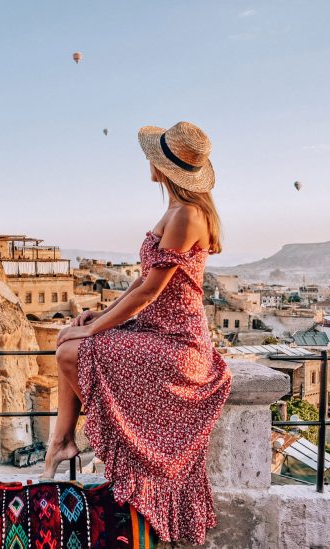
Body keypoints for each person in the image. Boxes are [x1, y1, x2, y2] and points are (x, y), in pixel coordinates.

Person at [41, 121, 232, 545]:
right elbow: (140, 282)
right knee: (65, 339)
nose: (148, 162)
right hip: (156, 329)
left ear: (166, 166)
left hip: (178, 343)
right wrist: (98, 316)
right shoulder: (175, 211)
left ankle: (65, 442)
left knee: (72, 352)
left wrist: (97, 332)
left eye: (154, 157)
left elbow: (149, 292)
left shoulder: (186, 215)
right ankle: (63, 440)